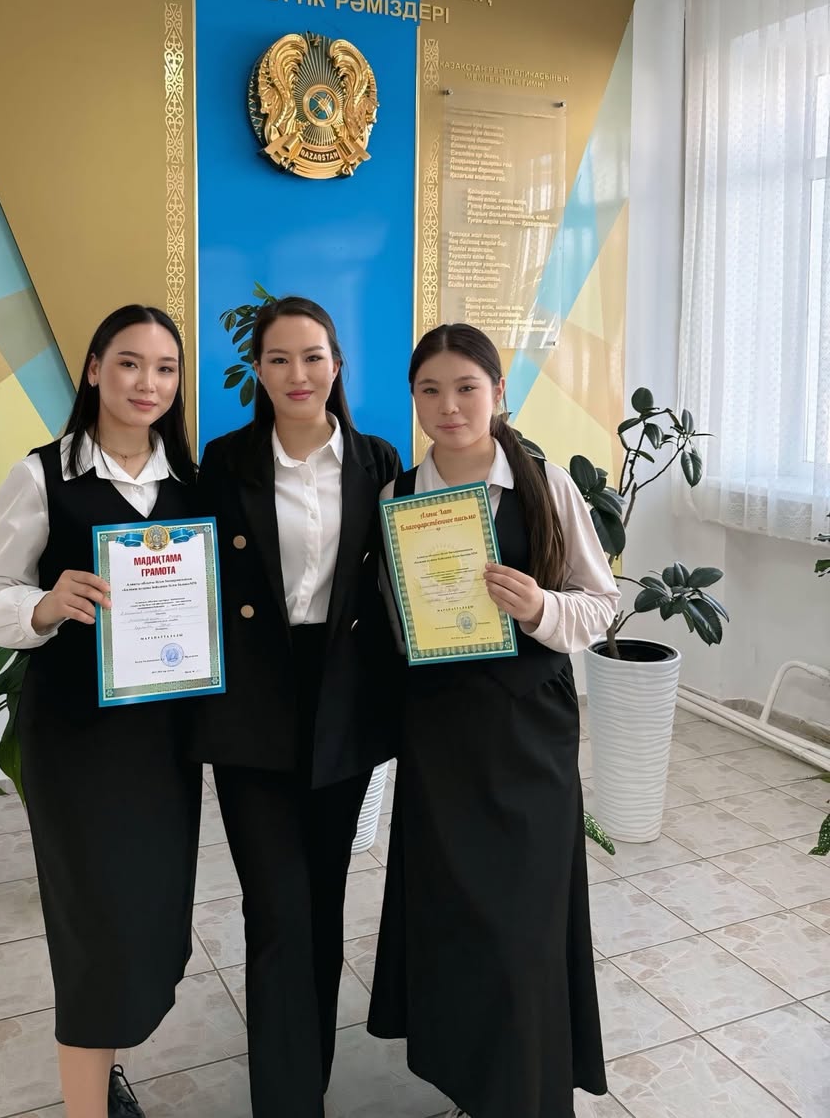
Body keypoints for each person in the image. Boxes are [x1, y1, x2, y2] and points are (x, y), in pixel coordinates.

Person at [367, 323, 619, 1118]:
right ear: (414, 399)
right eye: (430, 390)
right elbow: (392, 621)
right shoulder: (398, 497)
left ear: (499, 392)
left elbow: (602, 604)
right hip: (441, 737)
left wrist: (540, 606)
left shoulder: (545, 485)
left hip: (528, 732)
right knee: (456, 919)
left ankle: (529, 1093)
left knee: (525, 924)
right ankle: (475, 1086)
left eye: (466, 387)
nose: (449, 406)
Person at [0, 305, 202, 1118]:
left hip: (163, 745)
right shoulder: (42, 475)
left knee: (145, 921)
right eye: (130, 363)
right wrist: (44, 604)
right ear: (95, 368)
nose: (148, 383)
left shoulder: (189, 480)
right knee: (91, 933)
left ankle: (103, 1075)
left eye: (165, 368)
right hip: (76, 744)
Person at [191, 296, 402, 1118]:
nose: (297, 373)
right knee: (276, 906)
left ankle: (306, 1076)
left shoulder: (377, 461)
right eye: (278, 358)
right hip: (252, 702)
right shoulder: (225, 460)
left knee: (322, 898)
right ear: (257, 370)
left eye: (312, 356)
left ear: (336, 363)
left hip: (343, 699)